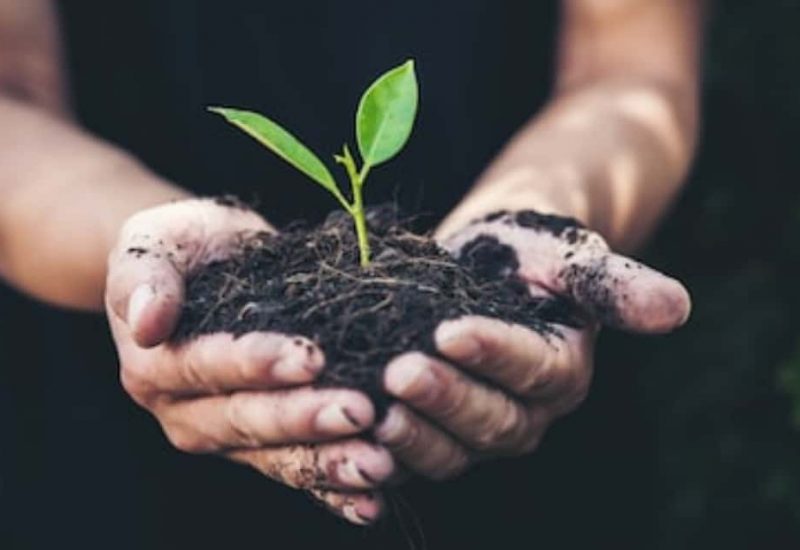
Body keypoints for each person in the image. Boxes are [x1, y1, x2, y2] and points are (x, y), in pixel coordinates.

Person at [0, 0, 702, 547]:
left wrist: (539, 216)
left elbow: (631, 65)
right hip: (119, 443)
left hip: (521, 440)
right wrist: (153, 259)